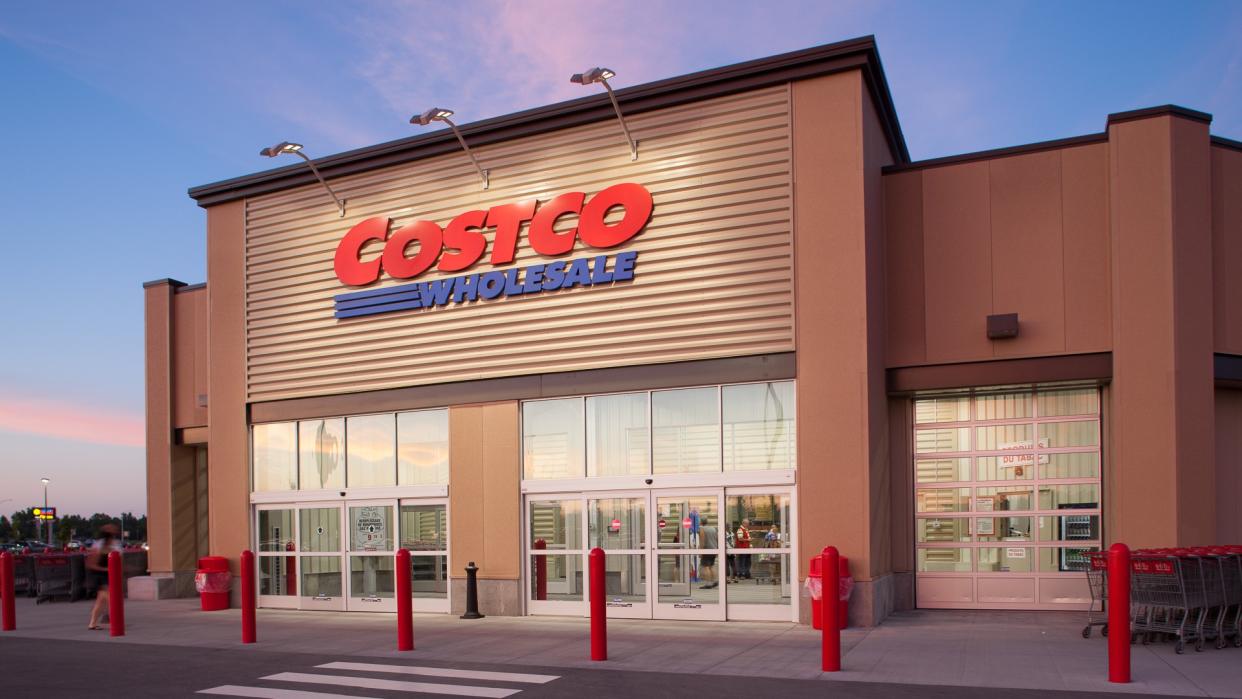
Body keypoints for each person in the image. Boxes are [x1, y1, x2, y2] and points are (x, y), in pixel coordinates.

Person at [86, 524, 120, 630]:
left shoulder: (116, 544)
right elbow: (91, 563)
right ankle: (115, 622)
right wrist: (107, 569)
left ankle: (93, 623)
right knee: (110, 598)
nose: (114, 530)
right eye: (111, 529)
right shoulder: (99, 545)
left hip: (110, 575)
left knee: (101, 601)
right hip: (99, 576)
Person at [699, 523, 718, 588]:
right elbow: (717, 539)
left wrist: (700, 551)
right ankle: (715, 581)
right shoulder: (713, 528)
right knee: (712, 565)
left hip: (707, 550)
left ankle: (708, 583)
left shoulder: (702, 529)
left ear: (701, 523)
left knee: (705, 566)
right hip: (714, 549)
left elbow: (702, 541)